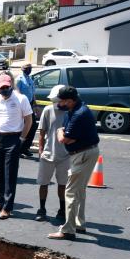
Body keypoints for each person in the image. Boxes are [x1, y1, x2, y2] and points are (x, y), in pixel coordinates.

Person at [48, 86, 101, 240]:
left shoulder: (79, 114)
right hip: (86, 151)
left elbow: (64, 138)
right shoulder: (73, 110)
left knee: (70, 191)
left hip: (82, 154)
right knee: (80, 190)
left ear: (70, 101)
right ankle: (79, 222)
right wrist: (66, 134)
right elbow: (69, 136)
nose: (60, 103)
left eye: (62, 101)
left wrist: (60, 132)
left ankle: (68, 230)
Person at [0, 73, 32, 219]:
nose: (4, 89)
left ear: (11, 85)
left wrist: (22, 138)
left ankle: (8, 207)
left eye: (7, 87)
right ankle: (1, 201)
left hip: (13, 138)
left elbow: (29, 120)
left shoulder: (21, 99)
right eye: (2, 88)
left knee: (10, 174)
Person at [35, 85, 70, 222]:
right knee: (43, 183)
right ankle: (42, 208)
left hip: (66, 156)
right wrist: (41, 149)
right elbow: (42, 132)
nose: (56, 103)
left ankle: (62, 209)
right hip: (48, 153)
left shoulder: (70, 112)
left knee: (63, 184)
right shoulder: (48, 110)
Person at [16, 63, 36, 156]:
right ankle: (18, 149)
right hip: (22, 106)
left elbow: (33, 92)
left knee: (33, 126)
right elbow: (17, 93)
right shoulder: (19, 79)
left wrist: (35, 103)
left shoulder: (30, 79)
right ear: (23, 69)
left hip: (30, 105)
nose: (29, 70)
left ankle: (25, 148)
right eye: (27, 68)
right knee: (22, 127)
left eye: (30, 68)